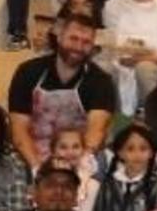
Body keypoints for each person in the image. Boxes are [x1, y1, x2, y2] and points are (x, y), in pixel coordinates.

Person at [7, 13, 117, 168]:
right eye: (73, 39)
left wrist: (79, 168)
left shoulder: (101, 81)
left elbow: (96, 132)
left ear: (92, 47)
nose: (78, 47)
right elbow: (19, 130)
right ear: (59, 37)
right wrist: (37, 169)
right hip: (31, 153)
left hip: (78, 156)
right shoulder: (28, 72)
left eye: (86, 42)